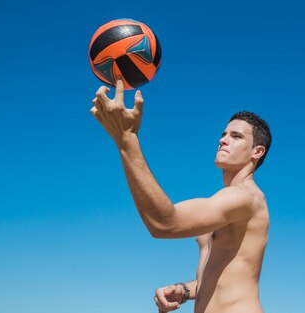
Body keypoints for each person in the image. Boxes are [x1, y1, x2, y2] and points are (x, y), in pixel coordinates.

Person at [90, 79, 271, 313]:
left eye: (236, 136)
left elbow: (164, 224)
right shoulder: (220, 203)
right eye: (224, 133)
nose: (223, 139)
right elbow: (223, 277)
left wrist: (127, 139)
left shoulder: (247, 198)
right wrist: (185, 291)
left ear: (257, 152)